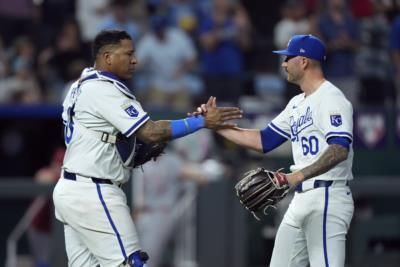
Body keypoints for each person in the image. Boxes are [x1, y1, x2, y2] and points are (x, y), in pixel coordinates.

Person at [52, 29, 242, 267]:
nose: (135, 60)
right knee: (132, 263)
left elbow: (101, 135)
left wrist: (128, 150)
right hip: (95, 191)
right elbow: (150, 132)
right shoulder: (104, 89)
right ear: (108, 57)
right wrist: (201, 121)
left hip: (71, 188)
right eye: (128, 54)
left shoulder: (79, 85)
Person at [196, 35, 354, 267]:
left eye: (287, 58)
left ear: (303, 61)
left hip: (327, 196)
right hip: (300, 198)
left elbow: (340, 149)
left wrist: (296, 176)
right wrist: (215, 126)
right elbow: (263, 140)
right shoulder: (297, 103)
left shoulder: (331, 98)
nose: (283, 63)